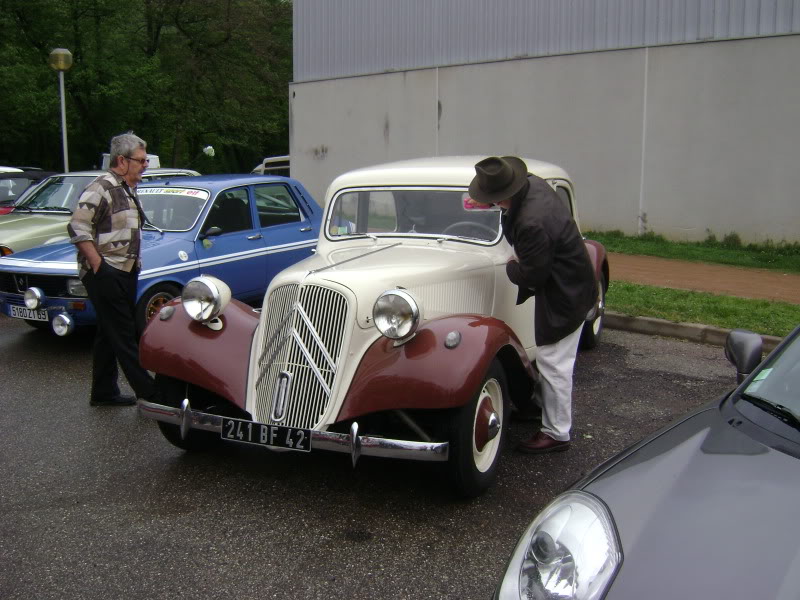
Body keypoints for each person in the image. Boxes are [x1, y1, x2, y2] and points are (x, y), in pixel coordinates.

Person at [468, 156, 597, 453]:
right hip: (570, 280)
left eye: (491, 199)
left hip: (566, 292)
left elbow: (532, 274)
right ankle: (538, 408)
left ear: (503, 195)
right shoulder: (533, 184)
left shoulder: (531, 222)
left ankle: (556, 433)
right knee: (553, 360)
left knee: (554, 362)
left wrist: (511, 265)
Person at [67, 132, 157, 407]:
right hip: (106, 272)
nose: (145, 166)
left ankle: (104, 392)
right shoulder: (101, 187)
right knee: (125, 333)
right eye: (141, 161)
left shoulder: (127, 187)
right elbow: (77, 226)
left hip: (126, 270)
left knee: (108, 333)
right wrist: (99, 266)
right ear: (122, 160)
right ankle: (152, 396)